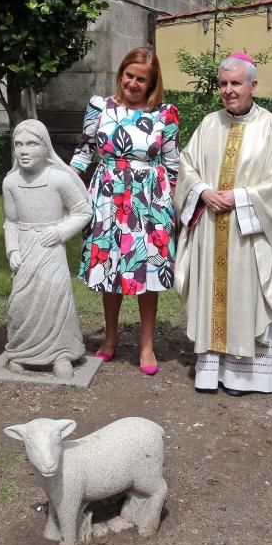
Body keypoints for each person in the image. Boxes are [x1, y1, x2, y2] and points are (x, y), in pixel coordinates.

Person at [174, 53, 272, 396]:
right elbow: (187, 166)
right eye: (224, 83)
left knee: (247, 297)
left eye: (235, 83)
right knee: (213, 296)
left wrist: (240, 197)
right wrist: (202, 191)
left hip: (249, 235)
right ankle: (211, 373)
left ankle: (246, 378)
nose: (228, 90)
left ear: (253, 86)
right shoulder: (210, 124)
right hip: (211, 231)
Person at [70, 47, 179, 375]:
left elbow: (172, 164)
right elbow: (85, 152)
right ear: (121, 74)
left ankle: (146, 344)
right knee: (110, 269)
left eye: (141, 79)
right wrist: (62, 181)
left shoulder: (165, 115)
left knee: (146, 272)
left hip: (149, 202)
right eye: (129, 75)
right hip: (107, 197)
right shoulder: (100, 108)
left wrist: (170, 208)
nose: (132, 83)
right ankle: (111, 337)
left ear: (152, 83)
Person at [2, 119, 92, 378]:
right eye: (18, 144)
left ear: (45, 147)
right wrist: (12, 250)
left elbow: (83, 211)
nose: (24, 150)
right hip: (26, 249)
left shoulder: (59, 179)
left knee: (55, 298)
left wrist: (61, 232)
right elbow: (11, 221)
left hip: (51, 249)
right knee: (20, 302)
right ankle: (20, 352)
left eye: (31, 144)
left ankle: (61, 354)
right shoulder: (11, 183)